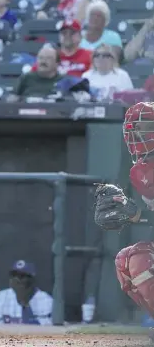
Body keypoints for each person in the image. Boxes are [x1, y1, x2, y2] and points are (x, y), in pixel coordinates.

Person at [93, 102, 154, 332]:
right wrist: (132, 212)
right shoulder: (141, 171)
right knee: (125, 261)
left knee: (139, 259)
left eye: (147, 127)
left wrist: (137, 213)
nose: (139, 134)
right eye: (136, 128)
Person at [0, 260, 53, 325]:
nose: (16, 279)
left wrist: (25, 304)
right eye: (13, 275)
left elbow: (47, 329)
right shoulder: (1, 297)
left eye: (21, 276)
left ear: (32, 279)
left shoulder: (45, 300)